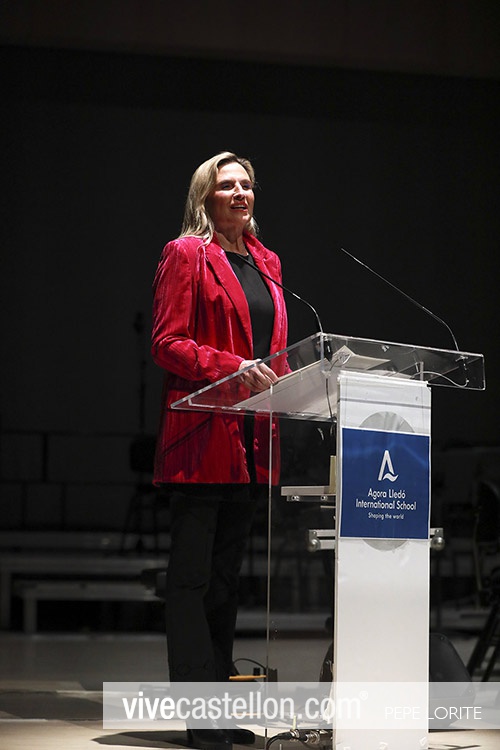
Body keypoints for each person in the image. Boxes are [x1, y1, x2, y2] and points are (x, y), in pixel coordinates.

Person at [151, 152, 289, 749]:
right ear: (205, 196)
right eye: (227, 185)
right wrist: (230, 366)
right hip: (202, 437)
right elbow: (167, 342)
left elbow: (274, 349)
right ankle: (198, 716)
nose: (240, 193)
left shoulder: (268, 262)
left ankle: (220, 708)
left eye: (247, 184)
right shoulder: (186, 254)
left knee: (227, 582)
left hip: (253, 442)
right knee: (192, 581)